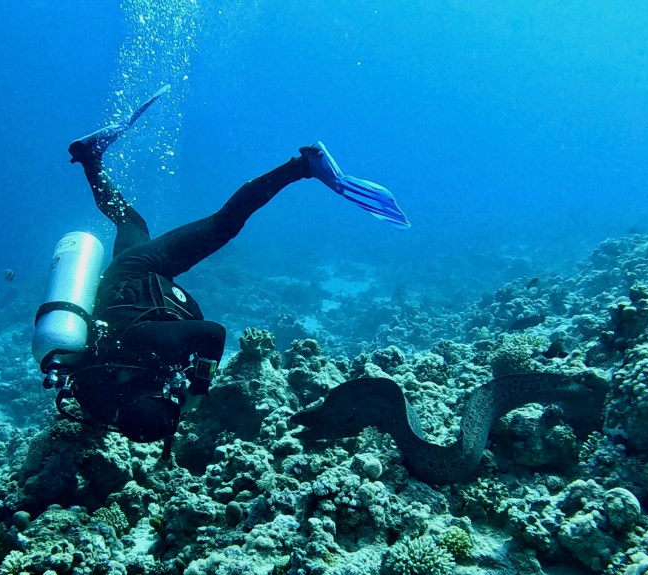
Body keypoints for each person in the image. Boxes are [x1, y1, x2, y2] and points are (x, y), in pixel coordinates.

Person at [54, 85, 409, 458]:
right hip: (116, 289)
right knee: (131, 223)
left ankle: (303, 165)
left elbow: (211, 334)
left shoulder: (144, 344)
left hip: (140, 273)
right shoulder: (98, 399)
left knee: (224, 224)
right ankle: (90, 160)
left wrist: (198, 387)